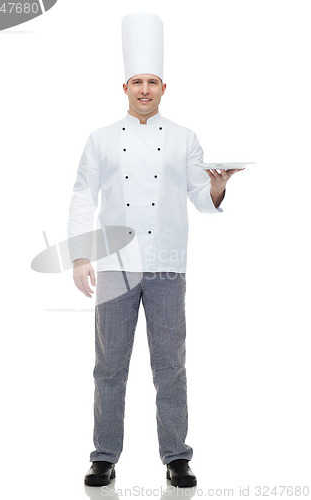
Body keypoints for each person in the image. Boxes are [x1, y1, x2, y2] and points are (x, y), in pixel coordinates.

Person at [67, 12, 242, 488]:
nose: (145, 89)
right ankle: (103, 455)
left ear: (165, 88)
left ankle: (176, 456)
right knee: (109, 366)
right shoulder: (100, 139)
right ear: (124, 86)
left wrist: (219, 186)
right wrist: (82, 256)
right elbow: (83, 195)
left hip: (167, 265)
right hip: (115, 266)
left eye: (153, 82)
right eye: (137, 81)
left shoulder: (184, 138)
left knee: (170, 365)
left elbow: (200, 200)